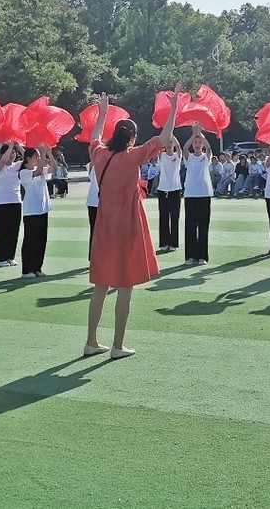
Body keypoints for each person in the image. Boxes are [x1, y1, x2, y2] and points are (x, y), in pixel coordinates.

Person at [85, 88, 179, 359]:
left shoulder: (101, 155)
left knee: (101, 285)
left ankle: (91, 341)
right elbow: (164, 137)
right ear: (133, 138)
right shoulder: (132, 156)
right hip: (126, 223)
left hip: (104, 223)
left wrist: (102, 114)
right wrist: (172, 110)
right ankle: (117, 345)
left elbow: (95, 139)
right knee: (124, 285)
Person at [20, 145, 56, 278]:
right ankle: (27, 270)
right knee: (30, 240)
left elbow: (53, 168)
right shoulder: (24, 173)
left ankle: (37, 268)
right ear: (28, 159)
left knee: (41, 240)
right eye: (36, 157)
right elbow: (38, 171)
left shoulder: (39, 169)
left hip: (42, 209)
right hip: (31, 211)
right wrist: (42, 151)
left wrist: (49, 154)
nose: (39, 158)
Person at [182, 124, 214, 266]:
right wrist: (193, 135)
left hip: (204, 193)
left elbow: (209, 148)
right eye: (195, 142)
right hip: (190, 194)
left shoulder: (205, 158)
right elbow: (184, 149)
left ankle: (202, 256)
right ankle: (190, 256)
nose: (197, 144)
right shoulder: (189, 158)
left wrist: (200, 133)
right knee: (190, 225)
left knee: (203, 225)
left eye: (199, 142)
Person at [0, 143, 23, 268]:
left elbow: (28, 157)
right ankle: (1, 258)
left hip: (16, 201)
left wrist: (17, 145)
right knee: (2, 231)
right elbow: (3, 160)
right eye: (10, 153)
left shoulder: (18, 166)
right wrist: (10, 145)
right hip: (1, 202)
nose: (12, 155)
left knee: (14, 231)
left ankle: (11, 256)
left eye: (14, 153)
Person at [155, 137, 183, 253]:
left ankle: (173, 243)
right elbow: (158, 147)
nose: (170, 144)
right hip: (163, 189)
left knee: (174, 217)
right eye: (168, 143)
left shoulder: (177, 156)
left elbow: (180, 149)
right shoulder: (162, 156)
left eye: (171, 143)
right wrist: (166, 137)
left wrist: (172, 135)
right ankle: (164, 243)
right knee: (164, 217)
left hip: (175, 190)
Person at [86, 159, 100, 260]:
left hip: (99, 201)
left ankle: (96, 256)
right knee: (95, 230)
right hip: (95, 201)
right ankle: (94, 256)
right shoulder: (93, 164)